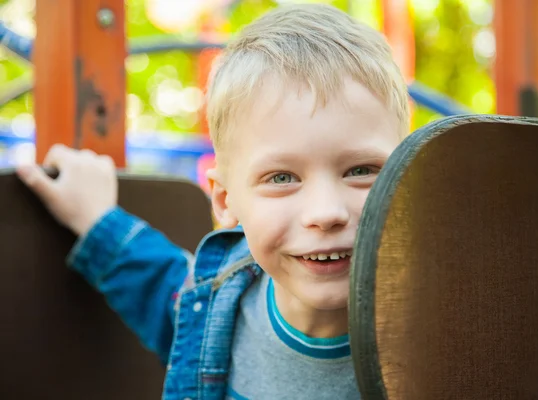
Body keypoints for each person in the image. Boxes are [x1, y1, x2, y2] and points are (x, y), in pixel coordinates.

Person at [17, 3, 409, 399]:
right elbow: (160, 286)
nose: (326, 213)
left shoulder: (442, 329)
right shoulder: (215, 308)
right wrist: (96, 217)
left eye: (361, 170)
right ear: (225, 199)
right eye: (282, 178)